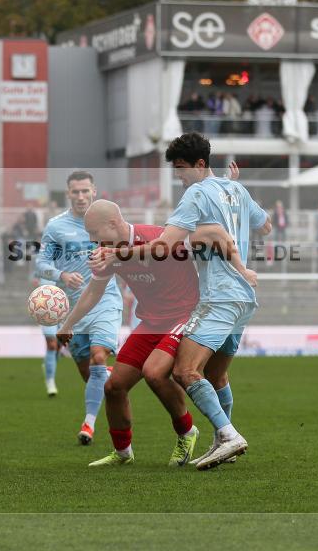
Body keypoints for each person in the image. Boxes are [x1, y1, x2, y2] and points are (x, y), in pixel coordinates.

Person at [101, 133, 271, 470]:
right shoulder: (236, 189)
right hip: (244, 297)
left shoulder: (196, 193)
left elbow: (164, 246)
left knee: (185, 370)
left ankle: (228, 435)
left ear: (200, 164)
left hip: (218, 296)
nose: (179, 176)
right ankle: (223, 441)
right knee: (217, 375)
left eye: (182, 169)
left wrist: (117, 252)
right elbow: (264, 227)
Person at [64, 200, 251, 467]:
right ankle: (122, 453)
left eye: (95, 233)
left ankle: (187, 433)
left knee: (155, 372)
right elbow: (94, 291)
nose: (93, 240)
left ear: (113, 224)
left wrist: (238, 270)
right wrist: (68, 324)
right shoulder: (106, 252)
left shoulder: (157, 238)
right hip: (151, 322)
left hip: (184, 315)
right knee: (114, 386)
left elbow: (200, 243)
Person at [35, 171, 124, 445]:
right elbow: (40, 264)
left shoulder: (109, 220)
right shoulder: (55, 226)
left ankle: (89, 424)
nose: (81, 196)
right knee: (91, 374)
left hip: (106, 299)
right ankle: (116, 381)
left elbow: (127, 250)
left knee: (99, 357)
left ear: (94, 191)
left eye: (86, 191)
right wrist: (61, 276)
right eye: (76, 192)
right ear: (68, 193)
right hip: (73, 309)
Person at [37, 277, 62, 397]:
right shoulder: (43, 262)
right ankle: (50, 381)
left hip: (65, 308)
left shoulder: (69, 262)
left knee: (59, 345)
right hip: (46, 310)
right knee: (52, 344)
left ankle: (48, 364)